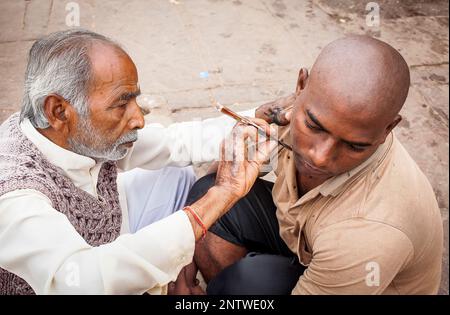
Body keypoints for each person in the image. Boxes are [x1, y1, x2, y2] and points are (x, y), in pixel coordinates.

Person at [0, 29, 276, 294]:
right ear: (59, 111)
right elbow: (80, 283)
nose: (139, 119)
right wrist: (219, 197)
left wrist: (253, 118)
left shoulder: (74, 133)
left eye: (134, 99)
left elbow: (173, 143)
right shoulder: (15, 193)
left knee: (175, 174)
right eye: (121, 104)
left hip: (106, 237)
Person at [177, 35, 444, 295]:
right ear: (301, 87)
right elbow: (225, 178)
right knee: (209, 193)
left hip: (350, 269)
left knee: (243, 286)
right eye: (314, 126)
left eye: (354, 146)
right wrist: (184, 252)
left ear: (388, 128)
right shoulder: (297, 111)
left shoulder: (369, 234)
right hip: (307, 244)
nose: (320, 157)